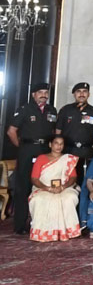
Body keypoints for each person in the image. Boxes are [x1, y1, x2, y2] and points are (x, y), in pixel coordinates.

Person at [7, 82, 58, 235]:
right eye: (40, 92)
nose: (44, 95)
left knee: (44, 185)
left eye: (45, 92)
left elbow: (55, 131)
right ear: (33, 94)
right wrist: (22, 147)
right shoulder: (25, 109)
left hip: (45, 151)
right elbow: (11, 131)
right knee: (23, 188)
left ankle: (42, 222)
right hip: (27, 150)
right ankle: (21, 225)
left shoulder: (52, 110)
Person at [55, 82, 93, 217]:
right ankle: (65, 214)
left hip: (85, 152)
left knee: (84, 184)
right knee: (67, 182)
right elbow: (58, 131)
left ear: (89, 94)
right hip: (68, 152)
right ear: (74, 94)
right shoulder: (65, 110)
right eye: (79, 91)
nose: (82, 94)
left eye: (84, 91)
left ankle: (82, 216)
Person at [27, 135, 81, 242]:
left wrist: (63, 187)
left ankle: (66, 232)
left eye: (61, 144)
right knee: (40, 199)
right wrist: (47, 188)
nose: (59, 146)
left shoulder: (67, 159)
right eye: (56, 143)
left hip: (64, 187)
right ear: (50, 145)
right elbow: (34, 179)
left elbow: (73, 177)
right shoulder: (41, 158)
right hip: (43, 187)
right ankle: (43, 233)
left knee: (69, 197)